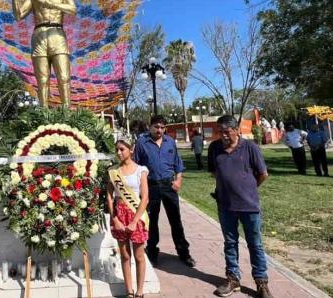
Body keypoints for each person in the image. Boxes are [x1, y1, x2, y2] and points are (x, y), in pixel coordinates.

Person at [208, 115, 273, 298]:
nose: (223, 136)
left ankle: (261, 282)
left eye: (227, 132)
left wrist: (247, 189)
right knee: (230, 243)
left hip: (249, 206)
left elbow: (263, 174)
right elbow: (214, 172)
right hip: (226, 206)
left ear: (237, 130)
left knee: (255, 244)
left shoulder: (250, 147)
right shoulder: (214, 148)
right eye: (220, 132)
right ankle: (233, 279)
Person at [3, 0, 77, 107]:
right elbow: (19, 16)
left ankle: (67, 113)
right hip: (39, 36)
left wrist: (54, 5)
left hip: (57, 35)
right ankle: (44, 113)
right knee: (42, 80)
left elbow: (73, 10)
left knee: (64, 77)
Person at [134, 115, 195, 267]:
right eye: (156, 127)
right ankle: (152, 251)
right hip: (151, 186)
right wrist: (140, 188)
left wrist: (179, 179)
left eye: (162, 127)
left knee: (175, 220)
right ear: (150, 126)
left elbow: (178, 164)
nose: (159, 130)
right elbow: (136, 166)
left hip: (169, 186)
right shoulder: (142, 143)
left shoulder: (170, 142)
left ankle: (183, 252)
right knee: (151, 221)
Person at [107, 139, 149, 298]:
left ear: (131, 150)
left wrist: (134, 221)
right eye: (117, 149)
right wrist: (115, 219)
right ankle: (129, 291)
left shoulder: (141, 170)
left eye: (122, 149)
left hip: (136, 216)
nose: (119, 152)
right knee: (124, 255)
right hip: (119, 215)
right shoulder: (113, 171)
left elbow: (144, 198)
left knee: (139, 256)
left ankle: (139, 291)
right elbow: (109, 196)